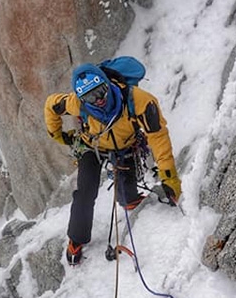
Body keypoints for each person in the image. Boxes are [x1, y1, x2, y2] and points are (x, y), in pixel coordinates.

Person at [43, 61, 181, 265]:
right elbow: (51, 105)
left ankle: (129, 199)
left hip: (125, 146)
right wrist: (57, 135)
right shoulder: (76, 103)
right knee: (85, 193)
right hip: (92, 146)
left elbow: (158, 138)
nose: (98, 100)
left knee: (127, 195)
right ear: (82, 98)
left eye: (100, 92)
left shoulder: (139, 101)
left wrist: (170, 178)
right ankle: (76, 239)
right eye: (90, 97)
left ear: (107, 84)